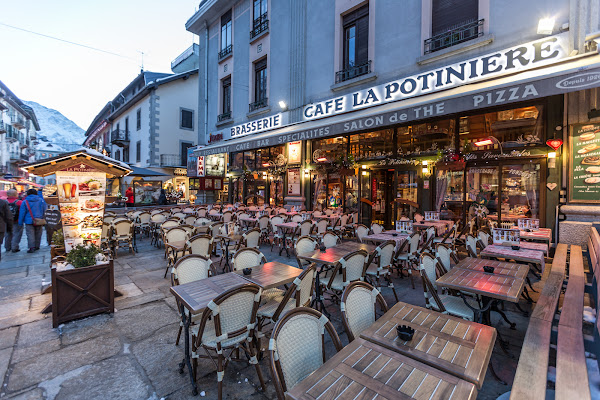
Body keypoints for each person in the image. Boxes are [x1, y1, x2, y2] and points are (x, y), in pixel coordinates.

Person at [18, 189, 47, 253]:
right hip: (39, 220)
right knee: (38, 233)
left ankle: (32, 247)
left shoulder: (25, 202)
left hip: (29, 221)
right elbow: (45, 210)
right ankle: (37, 245)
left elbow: (22, 213)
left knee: (30, 235)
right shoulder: (41, 200)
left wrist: (20, 222)